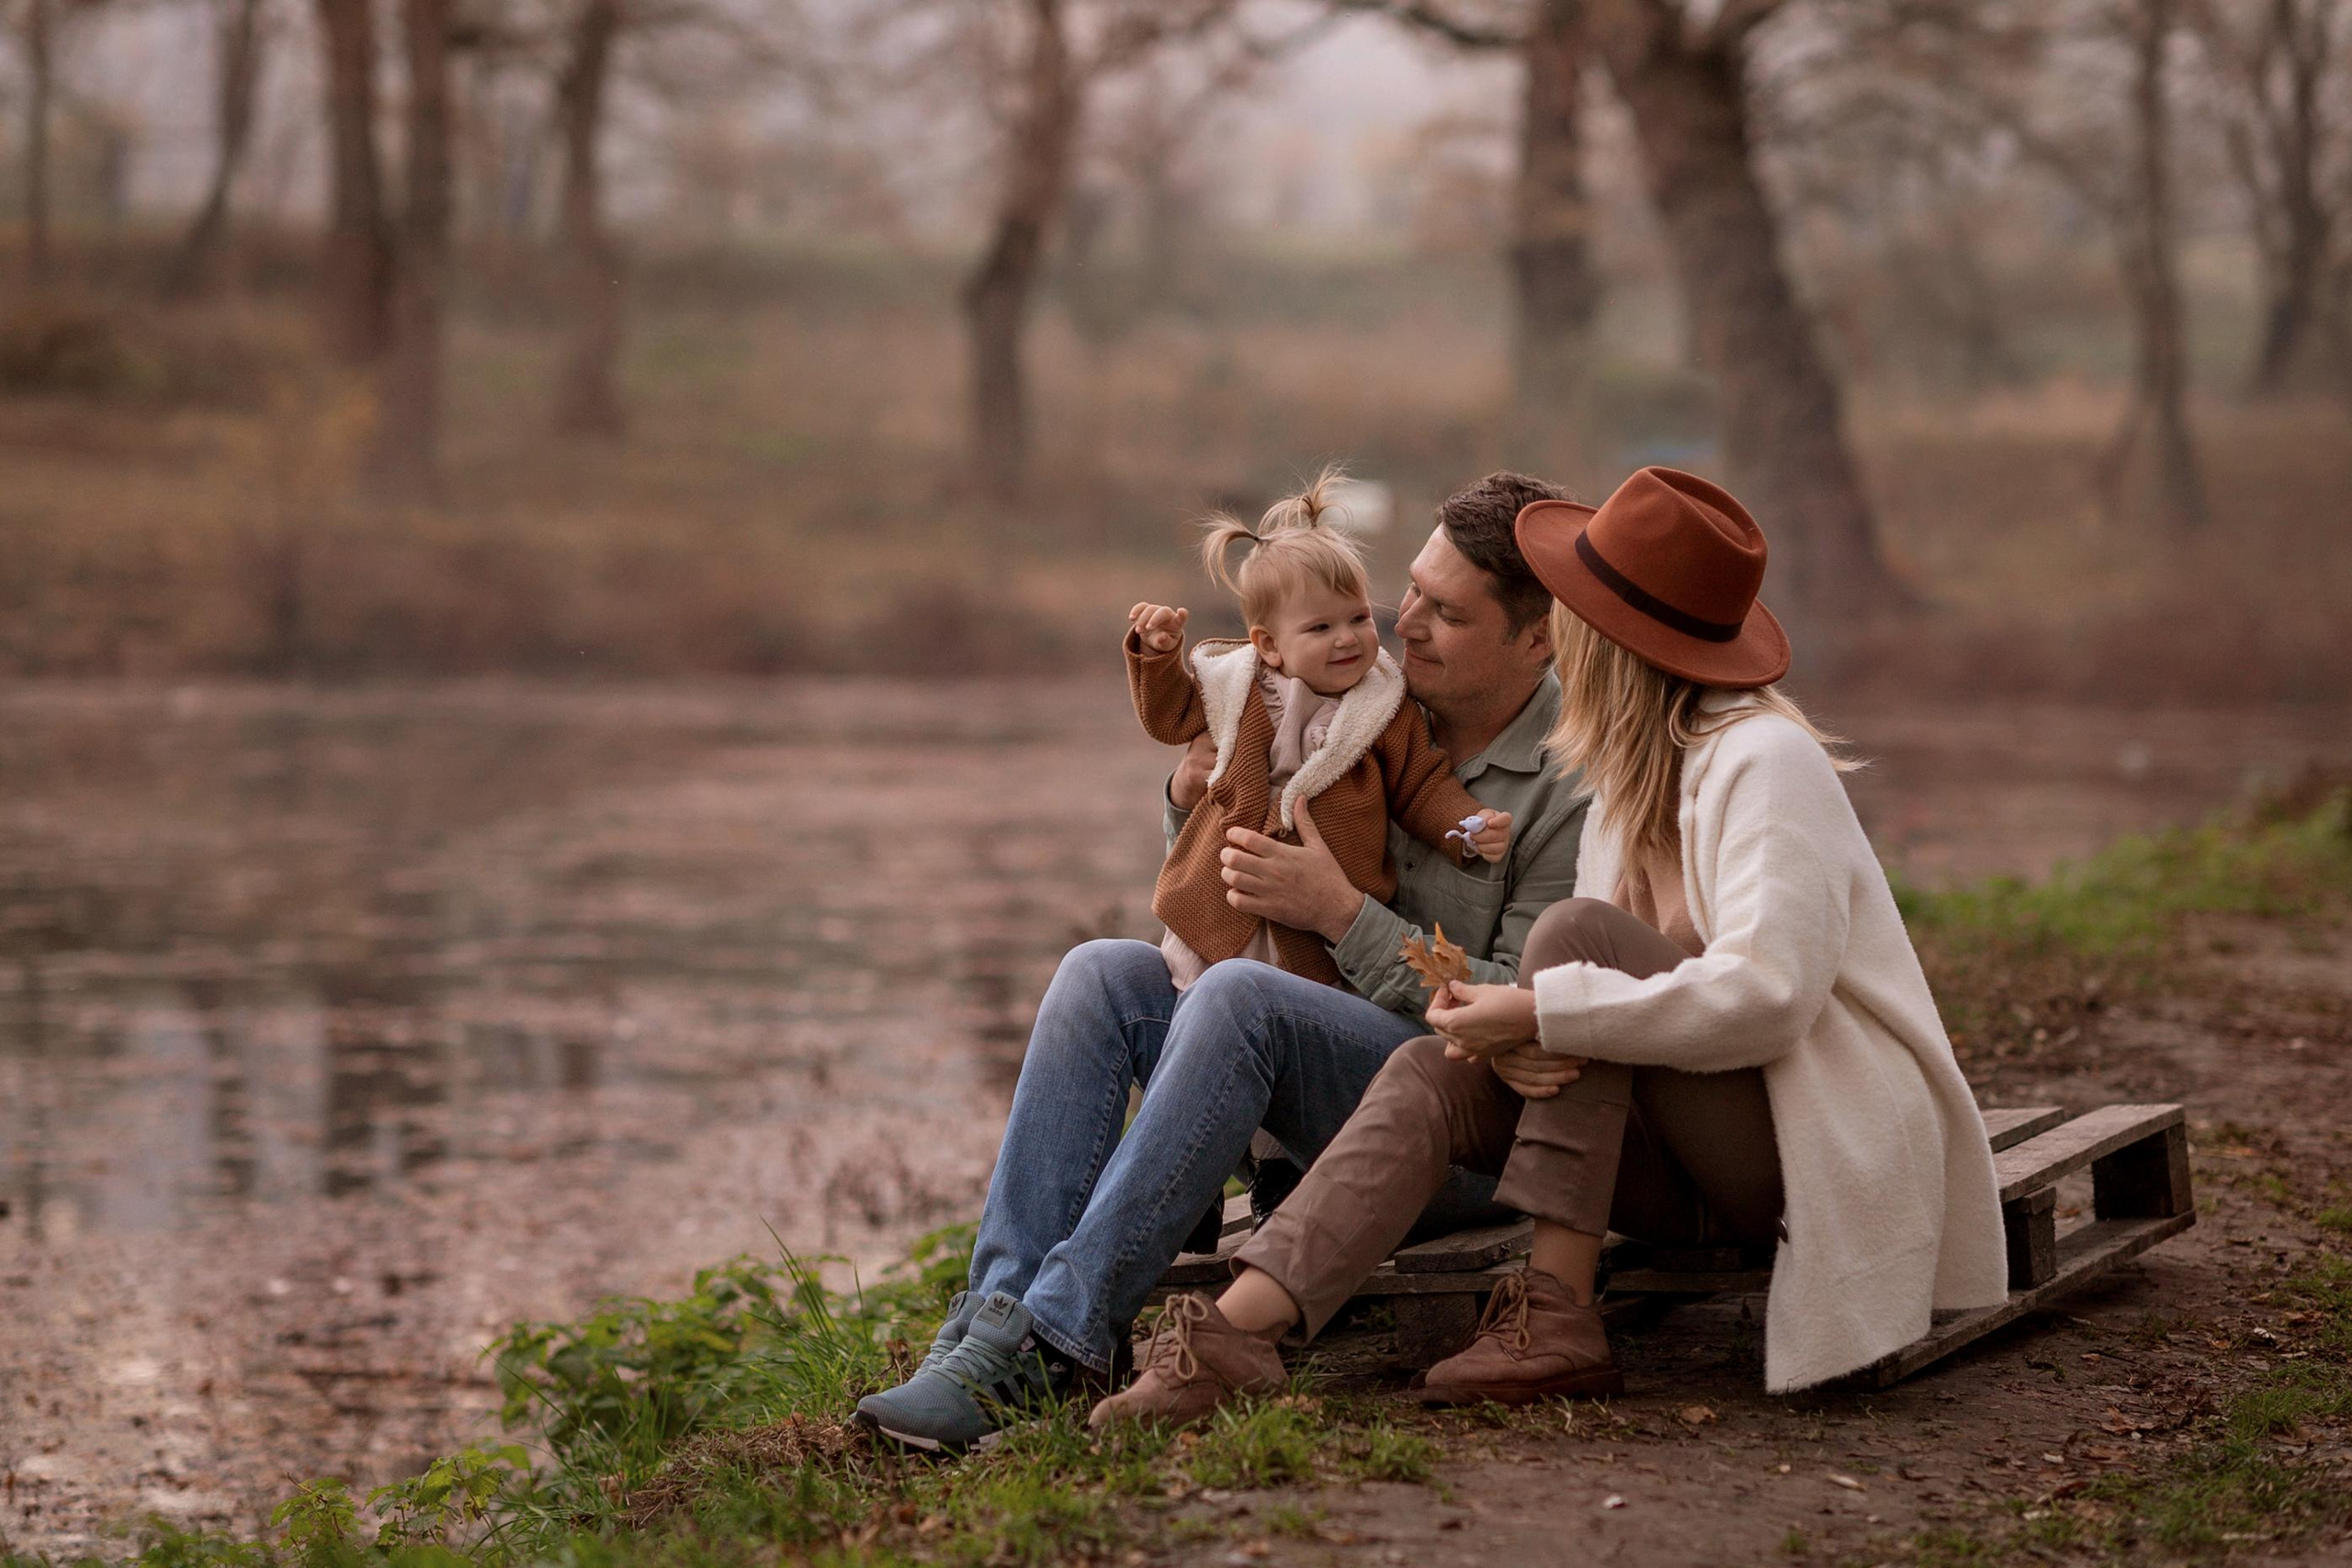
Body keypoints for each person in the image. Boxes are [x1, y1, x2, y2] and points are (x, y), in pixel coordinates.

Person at [1090, 466, 2008, 1427]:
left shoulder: (1763, 761)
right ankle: (1238, 1338)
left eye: (1574, 610)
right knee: (1427, 1074)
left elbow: (1770, 996)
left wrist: (1542, 1007)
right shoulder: (1615, 769)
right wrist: (1501, 1017)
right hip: (1663, 1165)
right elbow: (1597, 1009)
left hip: (1801, 1154)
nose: (1557, 631)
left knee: (1574, 943)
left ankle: (1559, 1305)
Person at [853, 472, 1590, 1452]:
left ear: (1535, 639)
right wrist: (1188, 787)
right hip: (1312, 1065)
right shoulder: (1363, 681)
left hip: (1452, 1132)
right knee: (1101, 975)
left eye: (1445, 613)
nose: (1402, 625)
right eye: (1408, 590)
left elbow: (1528, 1006)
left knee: (1244, 997)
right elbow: (1245, 800)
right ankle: (988, 1325)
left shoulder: (1575, 785)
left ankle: (1058, 1342)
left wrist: (1341, 914)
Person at [1128, 467, 1510, 997]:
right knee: (1159, 990)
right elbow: (1168, 718)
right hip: (1218, 904)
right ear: (1268, 645)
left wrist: (1465, 826)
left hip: (1315, 938)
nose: (1347, 639)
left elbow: (1422, 784)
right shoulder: (1233, 688)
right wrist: (1157, 657)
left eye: (1358, 618)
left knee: (1245, 1001)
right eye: (1320, 628)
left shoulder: (1382, 705)